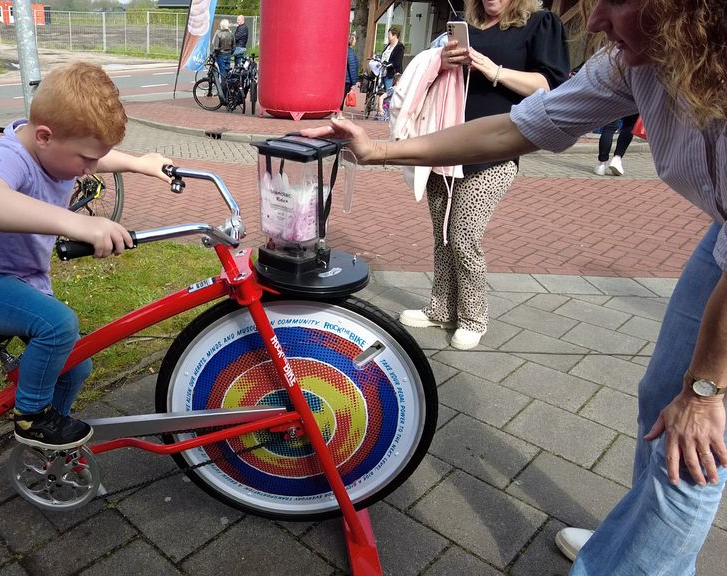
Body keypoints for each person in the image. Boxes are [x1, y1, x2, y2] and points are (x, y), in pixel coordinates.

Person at [303, 0, 726, 572]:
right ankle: (627, 540)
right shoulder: (635, 63)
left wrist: (706, 391)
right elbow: (515, 126)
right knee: (661, 396)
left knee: (695, 437)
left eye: (618, 2)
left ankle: (632, 563)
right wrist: (379, 150)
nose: (594, 21)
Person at [0, 62, 171, 450]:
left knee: (76, 364)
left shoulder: (56, 149)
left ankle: (50, 436)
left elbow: (95, 156)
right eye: (85, 160)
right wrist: (76, 223)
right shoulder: (8, 155)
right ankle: (31, 418)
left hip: (20, 276)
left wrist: (139, 163)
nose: (90, 170)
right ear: (44, 136)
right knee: (58, 326)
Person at [405, 0, 569, 350]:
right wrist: (443, 61)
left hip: (496, 148)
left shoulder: (539, 23)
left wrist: (494, 71)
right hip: (448, 141)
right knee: (442, 235)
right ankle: (441, 309)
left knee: (464, 236)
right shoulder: (468, 25)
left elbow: (549, 86)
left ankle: (473, 317)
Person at [375, 27, 406, 118]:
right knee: (382, 92)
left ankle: (389, 114)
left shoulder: (399, 47)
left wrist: (389, 64)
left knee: (389, 93)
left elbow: (397, 62)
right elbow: (384, 56)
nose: (388, 36)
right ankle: (381, 111)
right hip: (383, 72)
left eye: (389, 35)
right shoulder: (388, 46)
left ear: (395, 35)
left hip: (392, 74)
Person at [344, 33, 359, 108]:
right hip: (347, 80)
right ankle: (339, 112)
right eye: (355, 40)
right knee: (343, 96)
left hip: (344, 78)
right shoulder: (350, 52)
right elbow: (352, 67)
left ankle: (339, 112)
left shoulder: (345, 50)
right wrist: (354, 82)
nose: (355, 41)